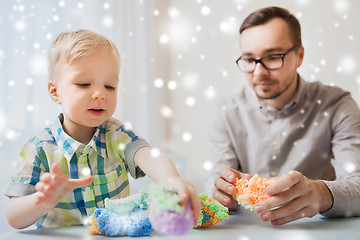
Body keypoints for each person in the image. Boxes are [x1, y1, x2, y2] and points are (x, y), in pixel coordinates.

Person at [5, 29, 200, 229]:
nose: (99, 94)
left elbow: (148, 155)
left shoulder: (118, 135)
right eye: (84, 84)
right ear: (55, 92)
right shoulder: (38, 149)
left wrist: (171, 179)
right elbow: (14, 217)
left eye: (110, 86)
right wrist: (42, 200)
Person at [208, 6, 360, 225]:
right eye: (249, 60)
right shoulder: (227, 110)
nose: (259, 72)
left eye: (272, 57)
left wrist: (320, 193)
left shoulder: (337, 105)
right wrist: (222, 190)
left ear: (299, 56)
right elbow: (215, 180)